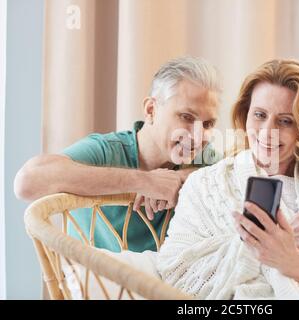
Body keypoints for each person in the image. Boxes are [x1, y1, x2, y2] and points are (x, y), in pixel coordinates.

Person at [156, 59, 299, 299]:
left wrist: (293, 261)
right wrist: (258, 245)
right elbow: (176, 273)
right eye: (259, 115)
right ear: (245, 114)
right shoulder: (206, 185)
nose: (267, 131)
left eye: (285, 121)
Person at [14, 56, 222, 252]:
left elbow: (239, 177)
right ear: (151, 110)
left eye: (208, 124)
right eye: (186, 117)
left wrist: (184, 178)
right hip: (99, 285)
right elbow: (26, 183)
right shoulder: (105, 150)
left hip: (170, 287)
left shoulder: (204, 158)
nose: (198, 136)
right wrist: (145, 181)